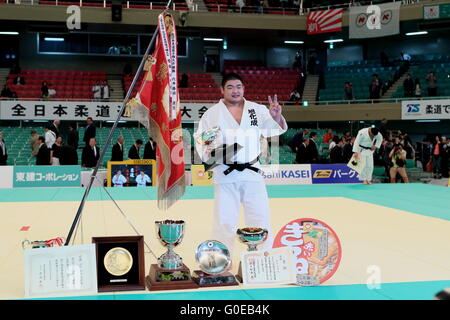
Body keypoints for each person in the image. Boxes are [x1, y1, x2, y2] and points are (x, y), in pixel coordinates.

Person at [194, 72, 287, 253]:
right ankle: (222, 259)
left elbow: (271, 131)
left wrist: (275, 117)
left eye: (238, 87)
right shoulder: (211, 114)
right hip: (225, 172)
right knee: (224, 220)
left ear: (244, 89)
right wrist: (210, 151)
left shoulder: (257, 109)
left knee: (260, 216)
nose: (235, 91)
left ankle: (261, 257)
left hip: (252, 171)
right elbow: (201, 140)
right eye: (230, 87)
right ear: (222, 90)